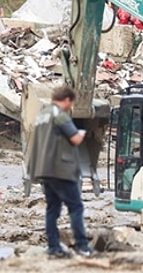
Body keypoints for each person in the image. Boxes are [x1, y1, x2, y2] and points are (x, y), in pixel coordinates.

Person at [25, 86, 95, 259]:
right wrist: (83, 132)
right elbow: (75, 139)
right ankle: (82, 246)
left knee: (52, 209)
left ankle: (53, 247)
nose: (71, 107)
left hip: (43, 170)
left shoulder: (41, 116)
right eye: (71, 103)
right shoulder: (60, 115)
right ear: (67, 100)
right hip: (61, 170)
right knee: (76, 207)